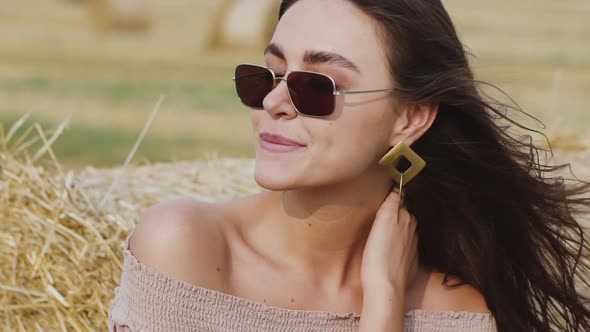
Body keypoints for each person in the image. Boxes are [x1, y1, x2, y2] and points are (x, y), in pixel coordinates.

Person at [108, 0, 590, 331]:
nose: (274, 101)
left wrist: (386, 299)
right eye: (268, 75)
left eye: (317, 86)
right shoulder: (185, 252)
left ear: (410, 118)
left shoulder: (453, 314)